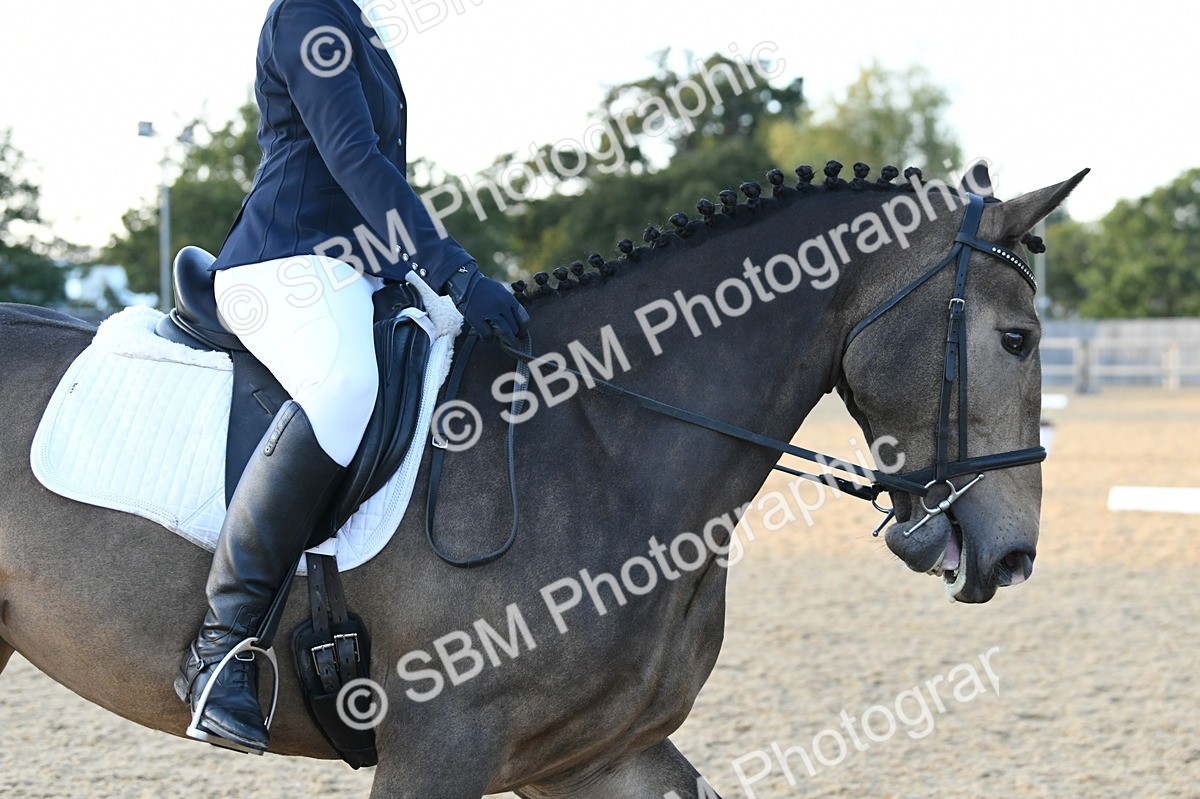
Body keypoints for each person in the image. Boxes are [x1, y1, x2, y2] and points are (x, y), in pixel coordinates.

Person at [173, 0, 528, 754]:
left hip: (359, 266)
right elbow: (354, 160)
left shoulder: (355, 23)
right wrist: (454, 270)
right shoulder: (307, 15)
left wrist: (442, 282)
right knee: (344, 390)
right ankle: (221, 646)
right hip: (283, 267)